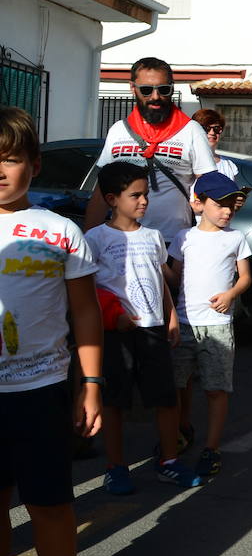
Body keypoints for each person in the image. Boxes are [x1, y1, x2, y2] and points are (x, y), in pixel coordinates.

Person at [0, 106, 108, 556]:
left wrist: (90, 385)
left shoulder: (60, 231)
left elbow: (85, 314)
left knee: (50, 506)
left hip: (40, 391)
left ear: (34, 166)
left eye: (11, 159)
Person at [85, 162, 181, 494]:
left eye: (146, 195)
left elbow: (160, 280)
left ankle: (169, 461)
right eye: (135, 195)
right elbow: (87, 290)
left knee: (165, 398)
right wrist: (113, 317)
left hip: (153, 328)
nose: (143, 201)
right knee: (115, 402)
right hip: (117, 334)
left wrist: (171, 316)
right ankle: (116, 466)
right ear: (112, 199)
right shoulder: (95, 238)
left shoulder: (153, 237)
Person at [168, 173, 252, 483]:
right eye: (220, 204)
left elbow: (245, 277)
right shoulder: (184, 238)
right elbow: (175, 277)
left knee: (217, 389)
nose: (227, 211)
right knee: (179, 384)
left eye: (231, 204)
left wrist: (231, 294)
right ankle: (180, 431)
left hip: (218, 325)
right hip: (186, 322)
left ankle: (211, 448)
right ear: (198, 204)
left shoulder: (235, 238)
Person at [84, 57, 216, 246]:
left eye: (163, 90)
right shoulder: (118, 130)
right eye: (146, 90)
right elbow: (102, 190)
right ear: (132, 88)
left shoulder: (191, 130)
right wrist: (88, 239)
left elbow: (210, 187)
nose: (155, 96)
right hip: (121, 238)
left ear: (172, 87)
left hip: (172, 240)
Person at [190, 109, 239, 180]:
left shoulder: (229, 165)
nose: (212, 133)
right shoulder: (187, 163)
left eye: (216, 128)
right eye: (207, 128)